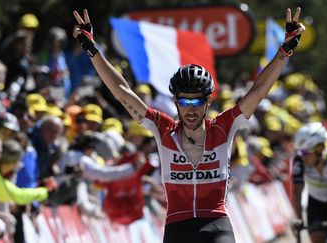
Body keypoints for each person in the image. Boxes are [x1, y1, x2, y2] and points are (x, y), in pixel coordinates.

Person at [72, 7, 305, 243]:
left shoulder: (224, 127)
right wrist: (93, 50)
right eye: (184, 101)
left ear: (207, 102)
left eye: (197, 101)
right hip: (177, 227)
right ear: (175, 101)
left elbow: (258, 90)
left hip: (216, 225)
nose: (190, 108)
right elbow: (123, 93)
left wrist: (285, 51)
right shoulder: (162, 128)